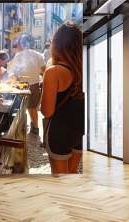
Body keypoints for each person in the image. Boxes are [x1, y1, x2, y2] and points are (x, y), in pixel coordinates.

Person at [40, 21, 84, 174]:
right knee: (72, 173)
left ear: (56, 44)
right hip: (80, 130)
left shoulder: (53, 71)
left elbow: (47, 111)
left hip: (60, 132)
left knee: (61, 182)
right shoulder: (85, 68)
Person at [7, 34, 46, 135]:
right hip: (35, 85)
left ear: (22, 44)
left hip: (22, 86)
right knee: (32, 107)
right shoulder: (38, 55)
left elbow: (13, 73)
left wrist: (13, 79)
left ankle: (23, 126)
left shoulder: (19, 55)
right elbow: (44, 71)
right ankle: (35, 127)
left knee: (22, 108)